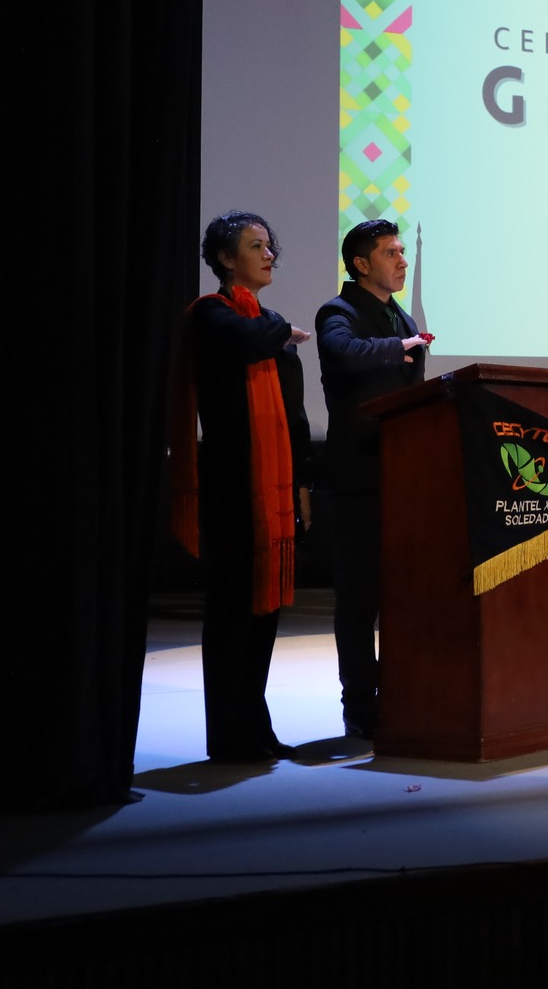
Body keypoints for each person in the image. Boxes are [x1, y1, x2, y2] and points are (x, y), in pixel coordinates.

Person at [170, 211, 310, 763]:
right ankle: (229, 735)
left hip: (273, 488)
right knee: (232, 611)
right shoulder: (212, 313)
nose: (269, 254)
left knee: (264, 612)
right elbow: (248, 339)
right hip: (232, 487)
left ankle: (256, 727)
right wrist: (281, 332)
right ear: (227, 259)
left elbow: (294, 414)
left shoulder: (268, 321)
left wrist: (301, 483)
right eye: (256, 246)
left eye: (269, 245)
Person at [313, 218, 428, 740]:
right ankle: (359, 705)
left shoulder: (401, 315)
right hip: (357, 476)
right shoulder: (338, 312)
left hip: (403, 475)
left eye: (403, 251)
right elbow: (343, 352)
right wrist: (399, 346)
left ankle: (402, 695)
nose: (402, 261)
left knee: (405, 594)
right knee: (359, 601)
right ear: (361, 264)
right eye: (391, 253)